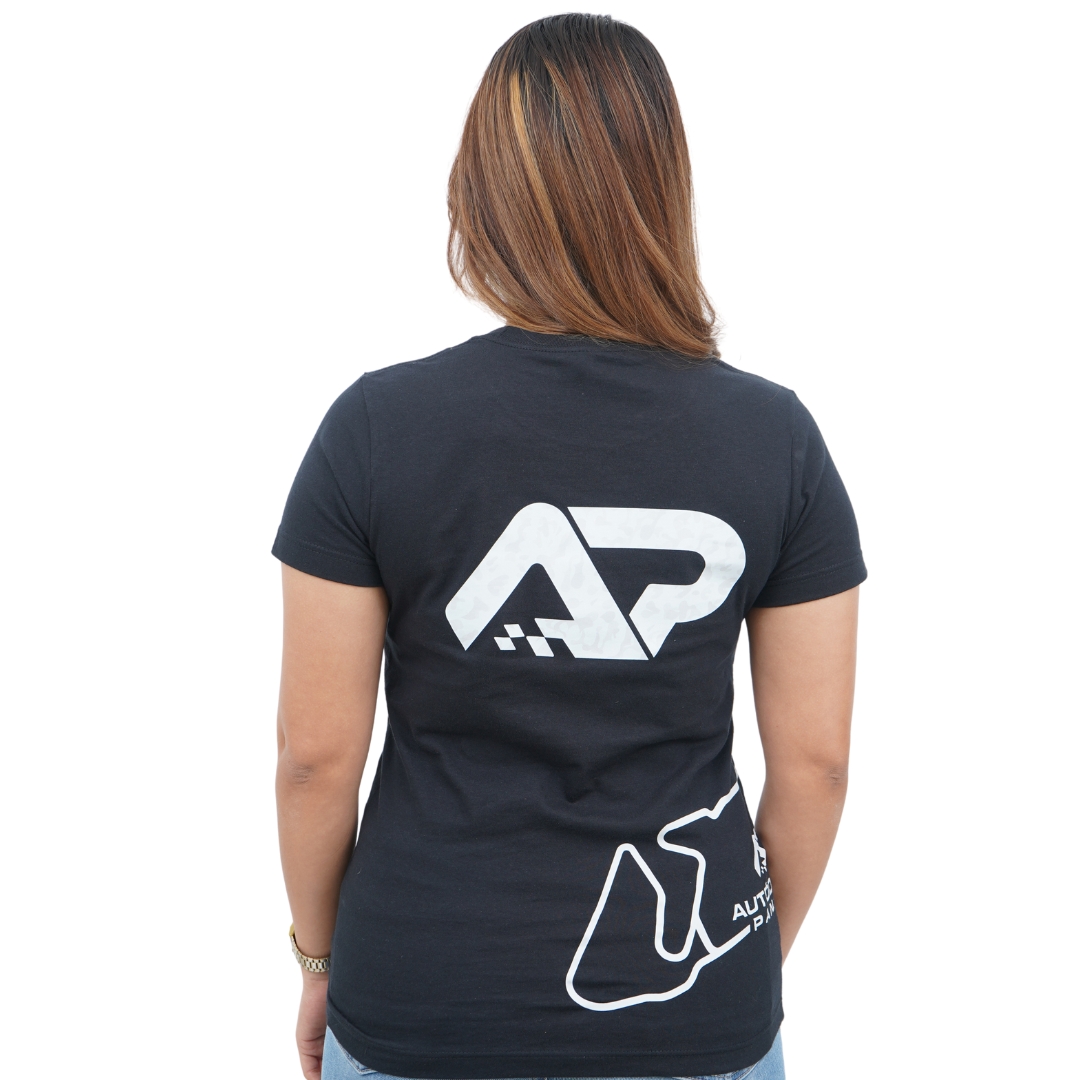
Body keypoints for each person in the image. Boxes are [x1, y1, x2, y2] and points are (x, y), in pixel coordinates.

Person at [274, 14, 864, 1080]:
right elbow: (816, 765)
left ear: (481, 191)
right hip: (694, 1016)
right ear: (664, 186)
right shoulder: (775, 439)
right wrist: (728, 968)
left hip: (423, 998)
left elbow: (315, 759)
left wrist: (318, 957)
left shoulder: (375, 429)